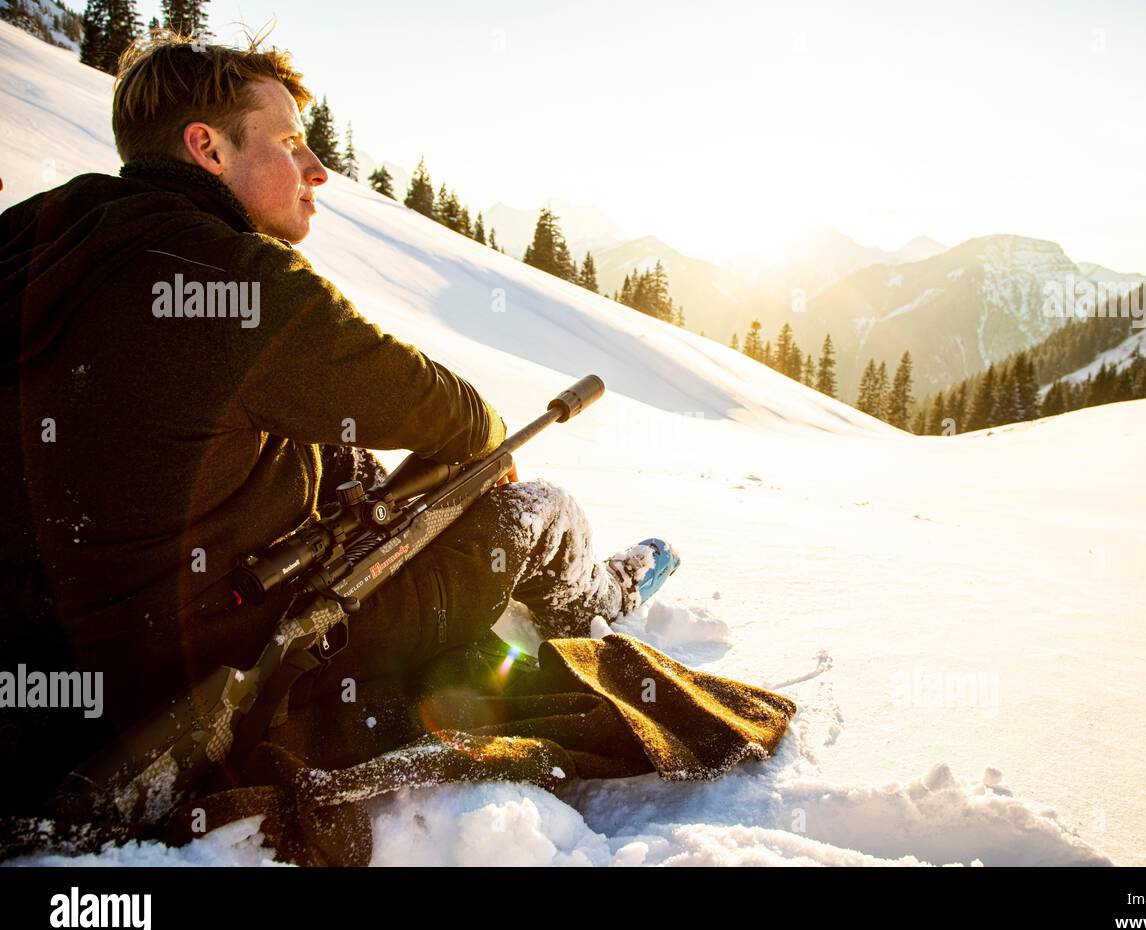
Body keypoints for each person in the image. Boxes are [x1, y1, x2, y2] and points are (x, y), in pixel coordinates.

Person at [0, 31, 679, 819]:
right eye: (289, 143)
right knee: (540, 510)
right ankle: (601, 597)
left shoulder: (36, 241)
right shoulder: (242, 281)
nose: (317, 169)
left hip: (41, 696)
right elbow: (463, 421)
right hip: (233, 677)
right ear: (206, 148)